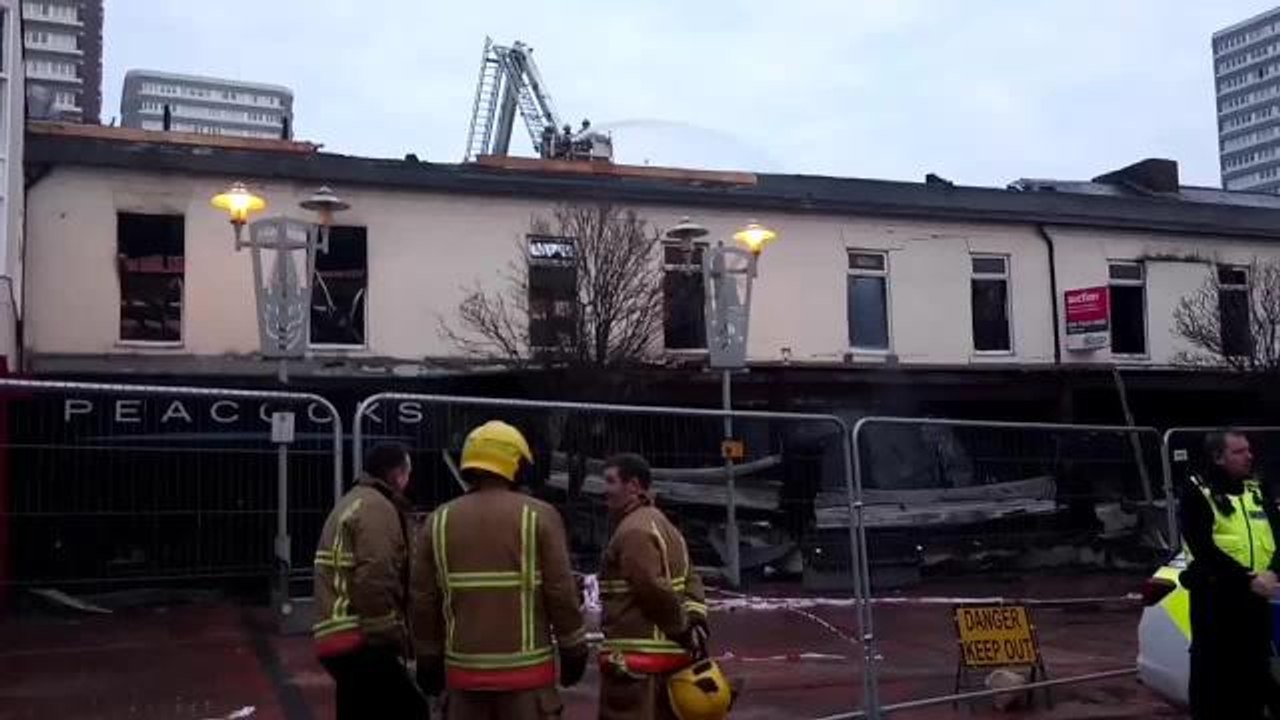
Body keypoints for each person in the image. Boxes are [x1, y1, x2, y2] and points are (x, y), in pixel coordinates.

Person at [412, 420, 588, 719]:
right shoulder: (540, 516)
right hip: (528, 682)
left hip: (463, 680)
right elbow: (560, 592)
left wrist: (427, 658)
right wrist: (574, 650)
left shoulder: (438, 521)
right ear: (514, 464)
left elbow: (422, 600)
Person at [597, 453, 729, 720]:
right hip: (671, 664)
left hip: (637, 667)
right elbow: (691, 577)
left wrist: (681, 628)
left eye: (610, 481)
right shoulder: (666, 526)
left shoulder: (633, 530)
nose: (604, 490)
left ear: (633, 485)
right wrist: (696, 620)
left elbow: (651, 587)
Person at [312, 442, 428, 720]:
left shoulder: (354, 500)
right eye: (407, 472)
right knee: (412, 709)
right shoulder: (377, 508)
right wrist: (389, 635)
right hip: (359, 636)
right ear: (397, 474)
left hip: (335, 631)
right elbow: (376, 575)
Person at [1180, 430, 1280, 720]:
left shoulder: (1257, 490)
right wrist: (1249, 579)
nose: (1249, 456)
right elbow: (1202, 547)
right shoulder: (1198, 491)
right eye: (1239, 452)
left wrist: (1272, 572)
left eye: (1249, 450)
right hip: (1216, 604)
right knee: (1214, 690)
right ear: (1218, 457)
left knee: (1252, 683)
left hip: (1256, 602)